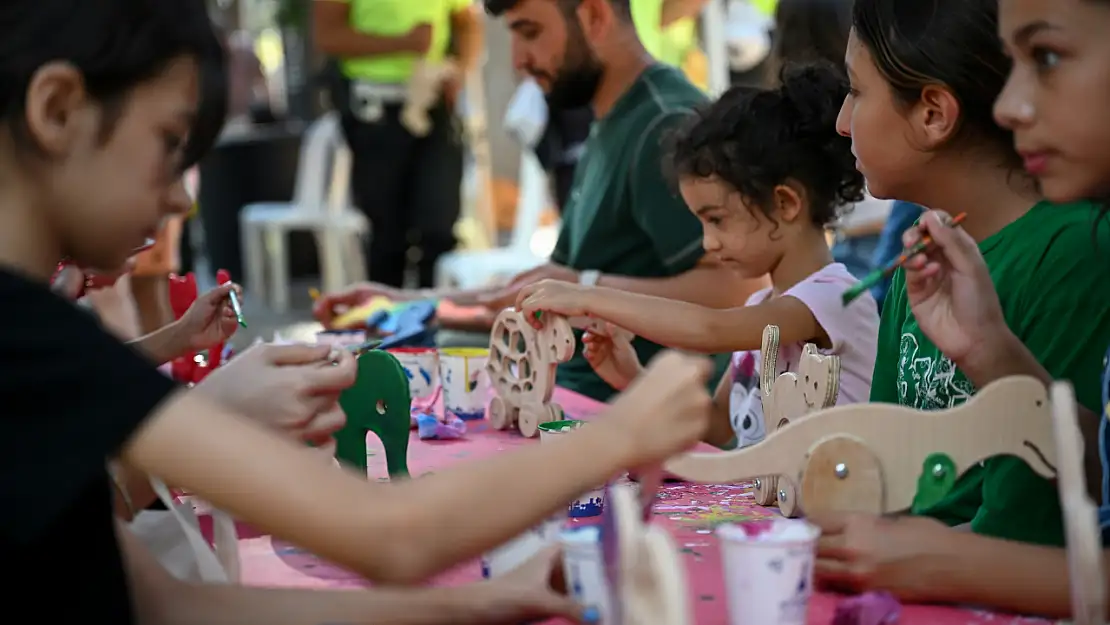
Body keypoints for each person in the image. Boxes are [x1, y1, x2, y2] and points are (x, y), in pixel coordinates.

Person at [0, 1, 720, 620]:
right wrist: (623, 432)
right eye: (167, 145)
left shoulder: (40, 337)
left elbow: (166, 604)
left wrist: (483, 600)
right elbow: (390, 534)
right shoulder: (30, 335)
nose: (182, 199)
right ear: (57, 109)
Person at [809, 0, 1110, 614]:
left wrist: (932, 556)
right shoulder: (933, 250)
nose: (1008, 104)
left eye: (1045, 57)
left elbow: (1047, 520)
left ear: (933, 112)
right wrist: (990, 352)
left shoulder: (1077, 248)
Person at [318, 0, 765, 402]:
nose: (517, 60)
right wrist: (405, 305)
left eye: (529, 32)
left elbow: (740, 291)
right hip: (563, 404)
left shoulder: (665, 125)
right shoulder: (612, 115)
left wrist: (585, 287)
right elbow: (547, 293)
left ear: (594, 15)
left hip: (630, 433)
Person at [515, 63, 879, 449]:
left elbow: (709, 330)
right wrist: (634, 377)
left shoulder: (832, 299)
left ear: (785, 203)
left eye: (717, 220)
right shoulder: (761, 306)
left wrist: (586, 294)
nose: (708, 243)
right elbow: (720, 427)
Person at [312, 0, 483, 289]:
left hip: (432, 102)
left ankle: (435, 320)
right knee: (387, 235)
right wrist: (402, 43)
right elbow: (327, 35)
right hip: (375, 110)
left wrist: (460, 70)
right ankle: (389, 325)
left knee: (439, 227)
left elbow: (468, 21)